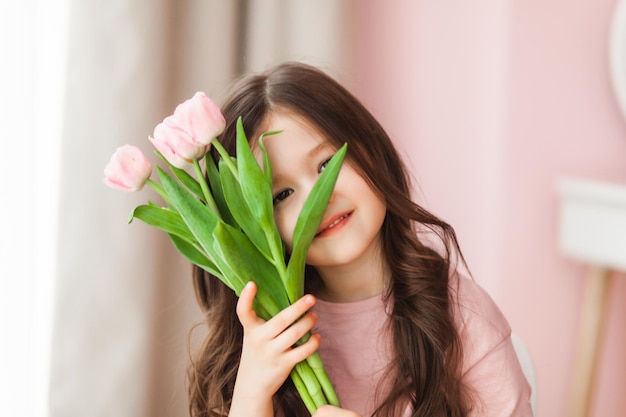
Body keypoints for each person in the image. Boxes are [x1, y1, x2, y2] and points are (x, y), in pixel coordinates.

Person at [187, 62, 532, 417]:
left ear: (372, 148)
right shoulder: (268, 340)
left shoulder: (462, 318)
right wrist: (251, 393)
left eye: (326, 165)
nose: (318, 199)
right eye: (282, 194)